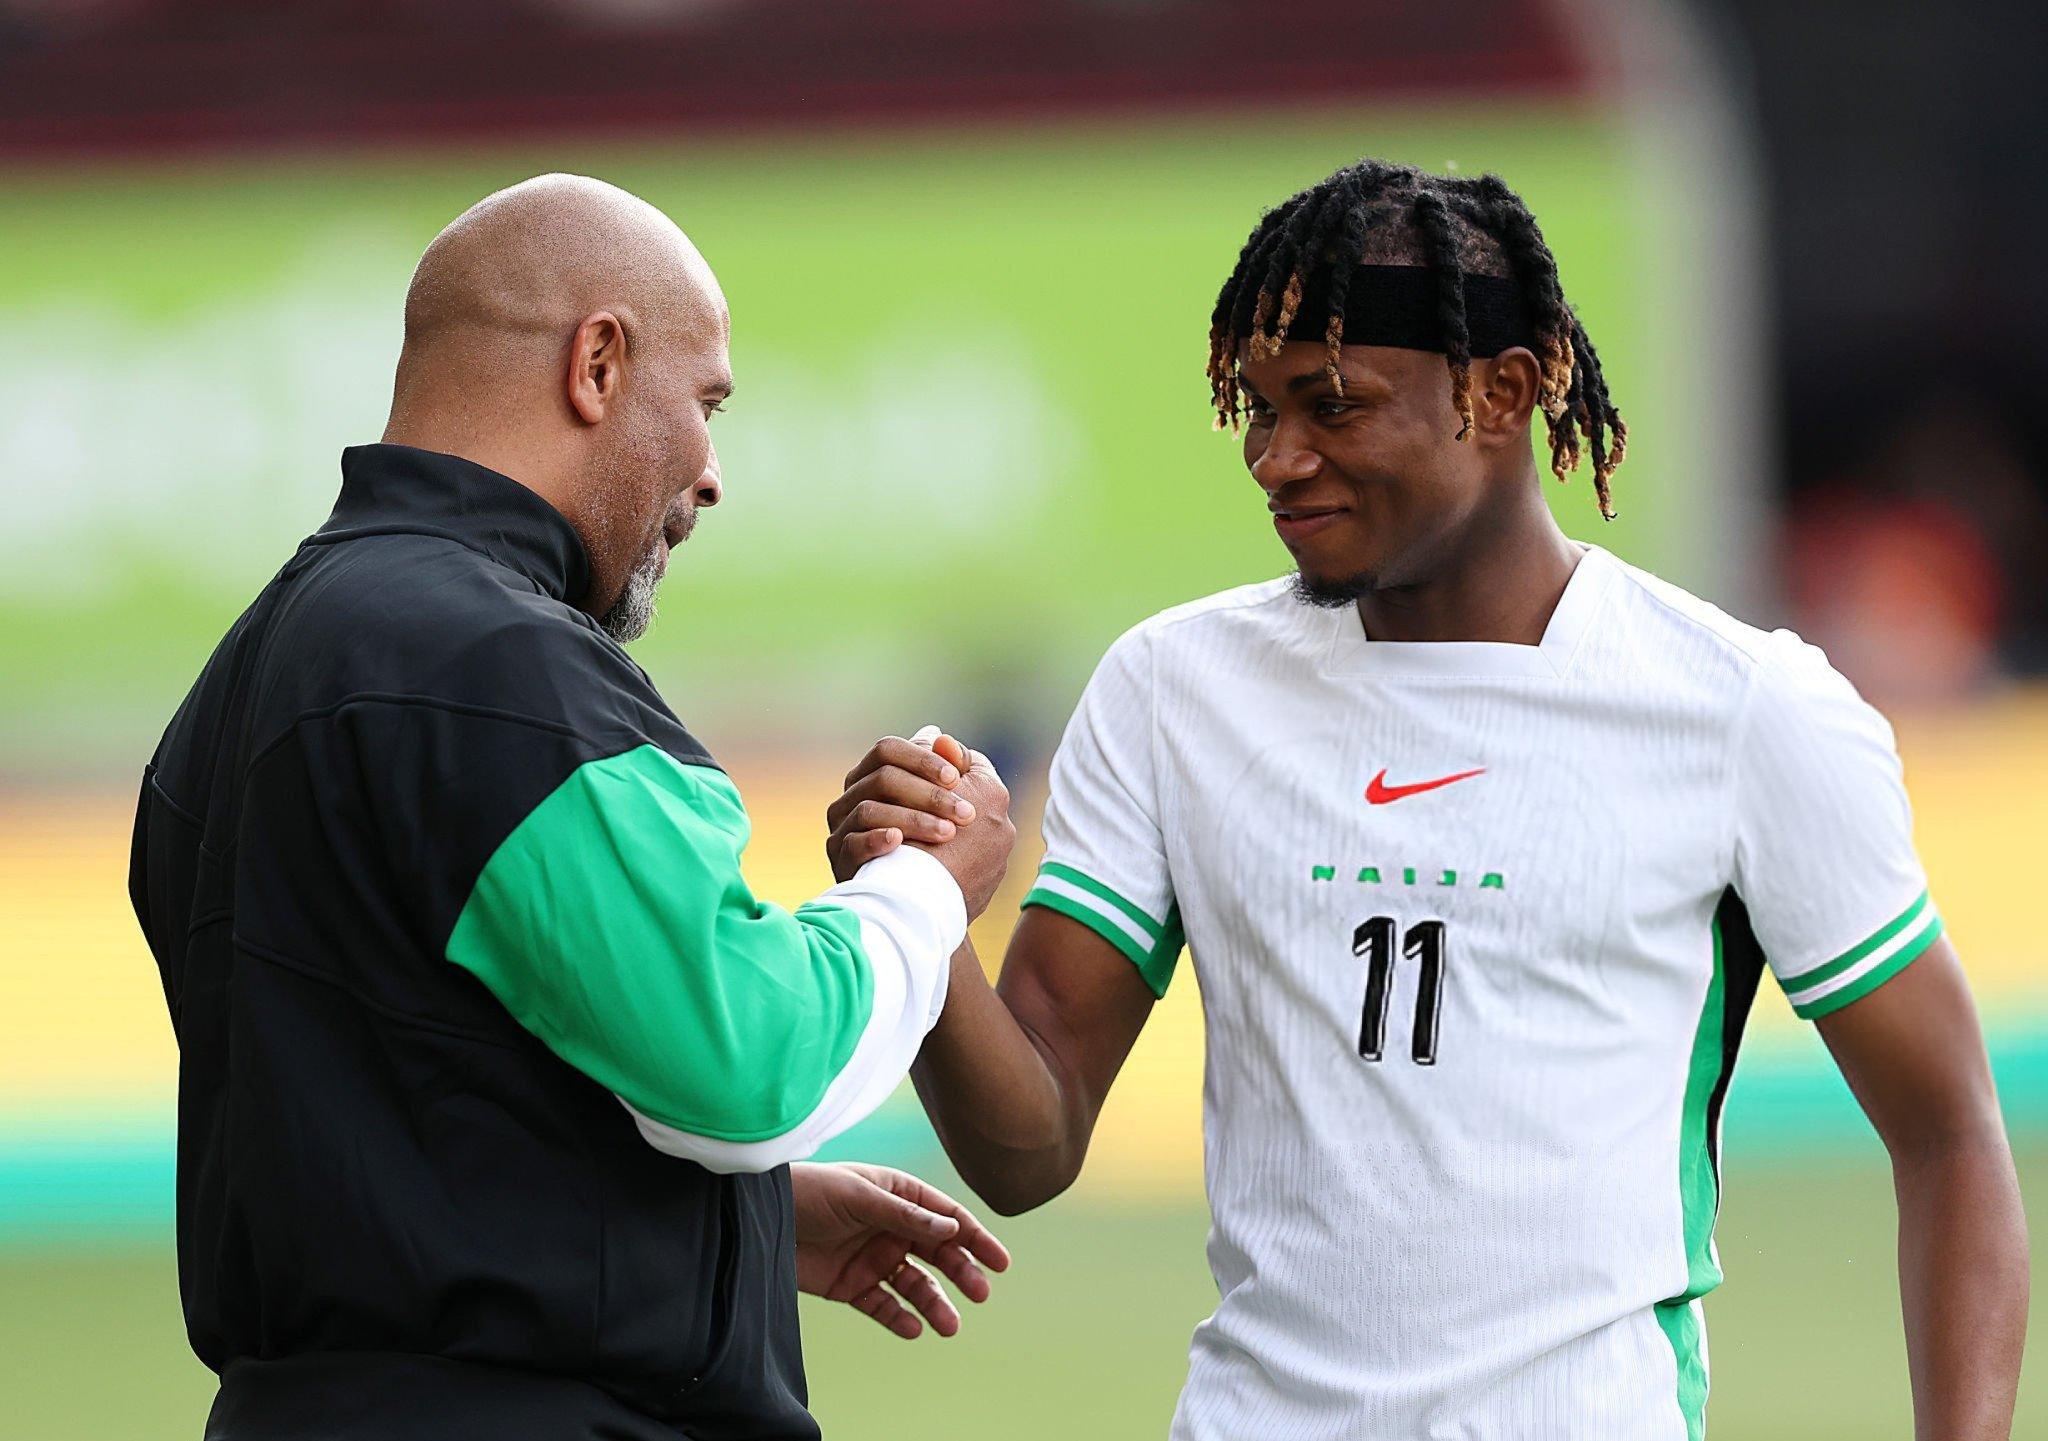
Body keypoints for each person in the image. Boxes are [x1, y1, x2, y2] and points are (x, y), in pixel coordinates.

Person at [827, 159, 2028, 1438]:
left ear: (1499, 394)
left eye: (1331, 406)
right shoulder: (1171, 690)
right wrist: (921, 912)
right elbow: (1029, 1144)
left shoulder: (1742, 710)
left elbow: (1948, 1134)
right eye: (1259, 407)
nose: (1274, 457)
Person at [128, 174, 1013, 1441]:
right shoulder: (492, 666)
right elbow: (749, 1063)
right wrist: (930, 885)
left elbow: (403, 1105)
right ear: (597, 361)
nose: (710, 476)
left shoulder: (250, 672)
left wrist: (734, 1226)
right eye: (704, 403)